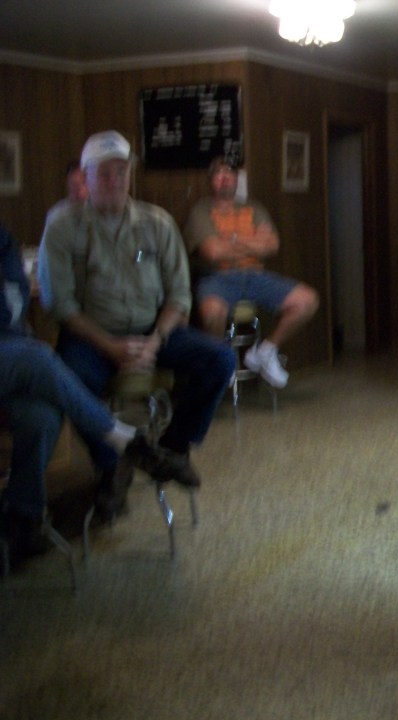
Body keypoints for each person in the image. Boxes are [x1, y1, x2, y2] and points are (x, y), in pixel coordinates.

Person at [37, 130, 235, 516]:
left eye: (121, 172)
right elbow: (60, 304)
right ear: (85, 176)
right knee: (70, 380)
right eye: (103, 173)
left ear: (130, 174)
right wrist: (110, 347)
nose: (114, 180)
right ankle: (113, 464)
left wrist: (155, 341)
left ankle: (171, 450)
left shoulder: (157, 223)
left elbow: (179, 295)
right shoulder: (63, 226)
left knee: (221, 359)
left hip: (153, 329)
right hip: (91, 336)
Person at [1, 223, 197, 562]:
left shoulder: (2, 239)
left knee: (40, 416)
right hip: (17, 353)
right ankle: (126, 441)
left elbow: (12, 305)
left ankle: (22, 520)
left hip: (11, 351)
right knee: (39, 358)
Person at [183, 156, 319, 389]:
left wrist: (231, 240)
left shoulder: (254, 208)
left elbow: (272, 245)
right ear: (210, 180)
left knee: (308, 300)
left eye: (230, 173)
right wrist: (253, 242)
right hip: (217, 278)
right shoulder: (201, 211)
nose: (225, 178)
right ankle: (222, 360)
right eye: (219, 173)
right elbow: (213, 252)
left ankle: (266, 351)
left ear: (237, 179)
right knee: (212, 312)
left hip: (255, 276)